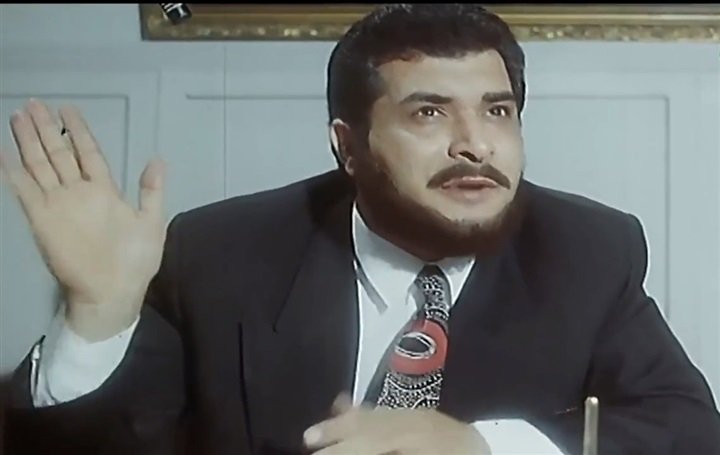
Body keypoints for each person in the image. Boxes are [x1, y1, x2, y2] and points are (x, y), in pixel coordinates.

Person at [2, 4, 719, 455]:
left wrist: (479, 445)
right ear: (348, 147)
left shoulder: (585, 251)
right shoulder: (222, 254)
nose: (476, 144)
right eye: (429, 113)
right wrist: (96, 319)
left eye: (497, 111)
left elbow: (688, 429)